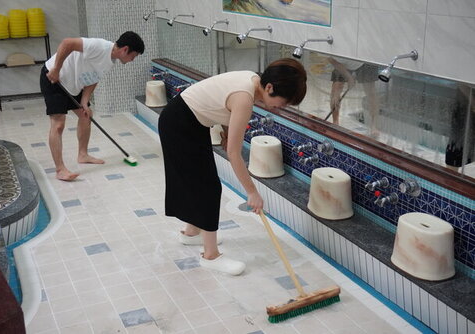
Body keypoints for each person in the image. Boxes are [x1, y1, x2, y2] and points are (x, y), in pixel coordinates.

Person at [158, 58, 307, 276]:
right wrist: (252, 192)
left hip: (187, 120)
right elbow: (234, 154)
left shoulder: (251, 80)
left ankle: (192, 233)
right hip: (180, 125)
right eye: (282, 103)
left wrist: (227, 132)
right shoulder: (244, 98)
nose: (280, 109)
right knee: (208, 187)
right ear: (269, 87)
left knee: (198, 182)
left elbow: (222, 103)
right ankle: (210, 256)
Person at [40, 31, 145, 181]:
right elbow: (67, 42)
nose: (132, 60)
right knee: (58, 124)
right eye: (133, 57)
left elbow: (94, 78)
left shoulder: (110, 61)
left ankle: (83, 155)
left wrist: (84, 101)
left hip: (73, 84)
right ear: (125, 50)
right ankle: (60, 169)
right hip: (53, 78)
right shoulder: (99, 46)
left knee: (86, 115)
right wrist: (56, 69)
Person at [328, 57, 379, 136]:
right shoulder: (329, 51)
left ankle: (374, 125)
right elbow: (332, 60)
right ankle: (335, 122)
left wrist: (350, 78)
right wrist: (349, 77)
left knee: (370, 91)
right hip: (344, 63)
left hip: (364, 59)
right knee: (336, 89)